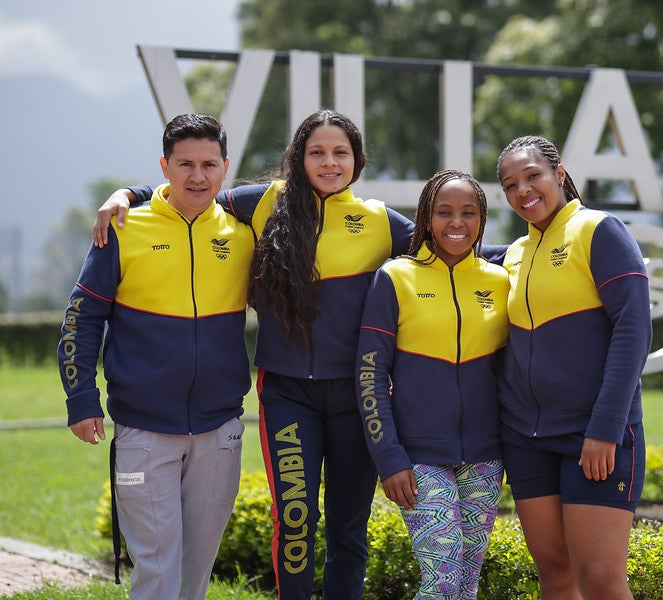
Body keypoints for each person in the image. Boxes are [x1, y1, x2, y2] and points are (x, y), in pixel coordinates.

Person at [93, 109, 416, 600]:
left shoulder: (380, 221)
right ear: (298, 158)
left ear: (358, 159)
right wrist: (129, 194)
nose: (329, 162)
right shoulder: (265, 202)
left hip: (356, 400)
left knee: (349, 525)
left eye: (340, 152)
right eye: (317, 152)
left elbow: (452, 241)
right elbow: (188, 193)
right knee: (295, 519)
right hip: (288, 395)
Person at [60, 114, 255, 600]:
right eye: (185, 164)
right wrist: (81, 398)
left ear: (225, 167)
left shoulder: (243, 233)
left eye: (209, 164)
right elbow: (82, 318)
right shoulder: (123, 227)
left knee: (195, 572)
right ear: (165, 166)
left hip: (220, 430)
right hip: (143, 430)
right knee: (157, 569)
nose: (197, 176)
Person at [495, 135, 652, 600]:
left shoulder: (599, 230)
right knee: (556, 575)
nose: (523, 191)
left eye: (532, 176)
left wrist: (606, 427)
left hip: (594, 435)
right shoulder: (513, 254)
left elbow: (633, 330)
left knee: (600, 580)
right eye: (510, 185)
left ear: (559, 173)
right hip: (526, 439)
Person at [356, 169, 509, 599]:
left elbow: (510, 372)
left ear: (481, 218)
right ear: (426, 218)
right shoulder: (395, 277)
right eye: (444, 212)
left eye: (468, 212)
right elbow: (369, 374)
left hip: (485, 458)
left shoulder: (500, 282)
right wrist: (389, 457)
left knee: (466, 586)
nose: (456, 222)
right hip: (419, 457)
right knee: (441, 583)